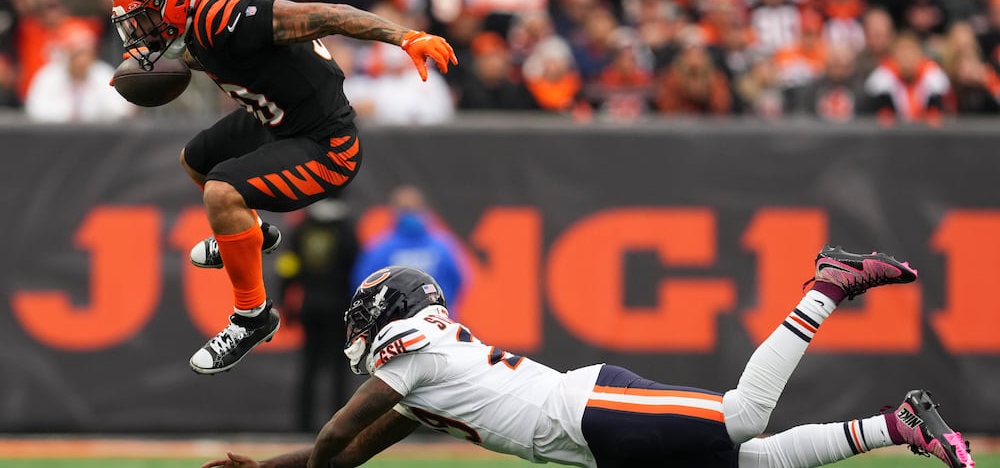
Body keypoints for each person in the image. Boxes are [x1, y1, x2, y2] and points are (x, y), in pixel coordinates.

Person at [203, 247, 975, 468]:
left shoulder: (414, 350)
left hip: (588, 410)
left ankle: (828, 284)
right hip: (591, 441)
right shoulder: (421, 380)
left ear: (387, 317)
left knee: (744, 417)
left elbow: (336, 436)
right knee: (751, 465)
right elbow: (344, 457)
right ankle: (898, 425)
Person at [108, 0, 457, 375]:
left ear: (175, 0)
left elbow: (330, 15)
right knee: (195, 160)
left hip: (327, 144)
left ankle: (252, 317)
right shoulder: (197, 23)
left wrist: (404, 36)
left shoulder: (229, 17)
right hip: (277, 117)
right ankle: (251, 234)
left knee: (221, 192)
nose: (139, 29)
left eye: (144, 16)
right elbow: (204, 55)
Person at [274, 198, 360, 432]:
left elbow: (288, 266)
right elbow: (356, 270)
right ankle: (340, 426)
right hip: (340, 308)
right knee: (339, 369)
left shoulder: (303, 227)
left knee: (310, 366)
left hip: (310, 306)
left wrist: (285, 303)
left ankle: (304, 425)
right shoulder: (346, 229)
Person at [351, 185, 466, 311]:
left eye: (413, 208)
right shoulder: (380, 249)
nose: (410, 213)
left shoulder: (443, 245)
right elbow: (364, 287)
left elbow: (458, 280)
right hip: (406, 318)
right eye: (406, 209)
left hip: (428, 315)